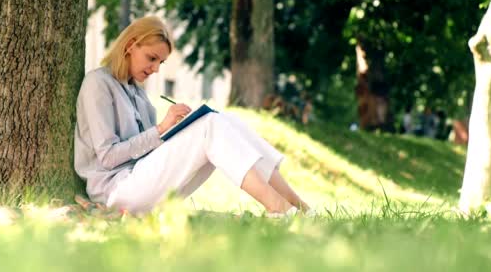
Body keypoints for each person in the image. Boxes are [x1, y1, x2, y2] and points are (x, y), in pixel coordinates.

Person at [74, 15, 312, 216]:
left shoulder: (139, 94)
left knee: (224, 120)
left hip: (143, 183)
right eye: (151, 58)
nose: (156, 68)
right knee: (210, 126)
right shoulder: (98, 83)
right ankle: (279, 208)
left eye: (161, 62)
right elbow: (107, 157)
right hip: (116, 191)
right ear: (130, 45)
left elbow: (148, 152)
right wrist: (159, 130)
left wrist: (178, 130)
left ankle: (300, 207)